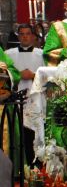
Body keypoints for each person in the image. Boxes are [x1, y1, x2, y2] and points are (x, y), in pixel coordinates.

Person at [5, 24, 44, 165]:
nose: (25, 36)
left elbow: (49, 76)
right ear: (18, 36)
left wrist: (34, 75)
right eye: (22, 34)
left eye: (28, 33)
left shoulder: (41, 54)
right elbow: (6, 75)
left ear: (33, 36)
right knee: (19, 134)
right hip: (17, 100)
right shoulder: (9, 54)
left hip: (36, 99)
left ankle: (36, 166)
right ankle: (21, 167)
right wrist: (19, 75)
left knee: (35, 134)